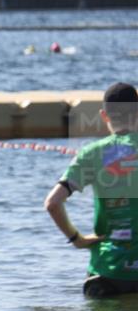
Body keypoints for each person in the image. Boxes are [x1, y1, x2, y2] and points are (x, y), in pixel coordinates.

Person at [44, 82, 138, 297]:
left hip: (107, 274)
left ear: (104, 116)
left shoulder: (92, 154)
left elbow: (53, 203)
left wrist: (77, 239)